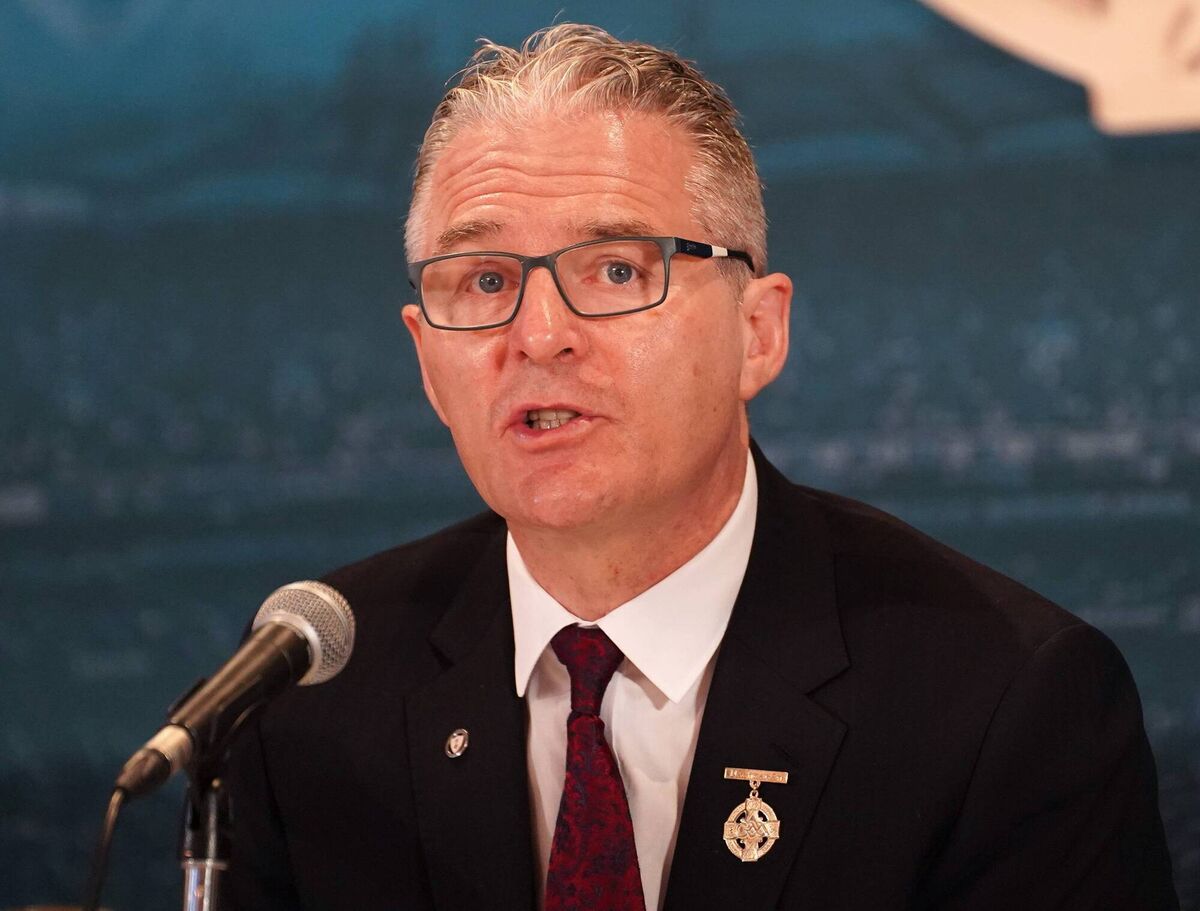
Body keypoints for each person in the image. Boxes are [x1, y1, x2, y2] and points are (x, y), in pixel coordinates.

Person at [224, 23, 1178, 910]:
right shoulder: (305, 700)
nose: (538, 335)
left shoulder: (1006, 702)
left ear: (757, 332)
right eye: (484, 281)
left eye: (616, 269)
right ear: (428, 363)